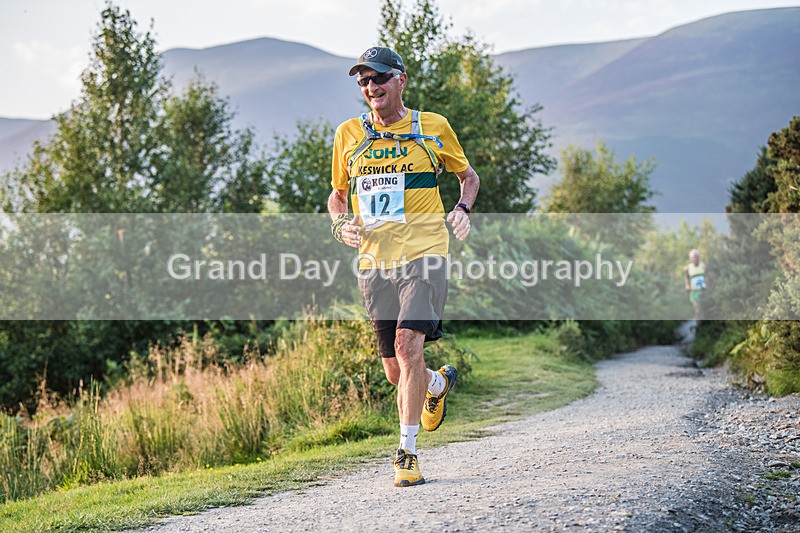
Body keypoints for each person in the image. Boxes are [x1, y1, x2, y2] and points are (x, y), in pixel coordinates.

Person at [327, 46, 480, 487]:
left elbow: (468, 177)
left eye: (378, 77)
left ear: (400, 80)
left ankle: (406, 454)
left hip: (425, 252)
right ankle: (435, 385)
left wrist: (462, 209)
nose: (370, 86)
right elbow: (337, 195)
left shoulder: (433, 127)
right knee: (395, 369)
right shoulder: (348, 134)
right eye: (363, 80)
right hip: (374, 260)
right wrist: (339, 224)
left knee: (408, 344)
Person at [684, 249, 707, 324]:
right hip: (694, 292)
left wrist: (707, 284)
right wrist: (687, 285)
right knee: (697, 310)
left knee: (704, 310)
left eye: (696, 257)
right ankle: (698, 325)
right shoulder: (688, 268)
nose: (695, 259)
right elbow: (686, 278)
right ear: (690, 259)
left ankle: (704, 325)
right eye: (693, 257)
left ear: (699, 257)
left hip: (703, 291)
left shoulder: (703, 265)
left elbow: (708, 276)